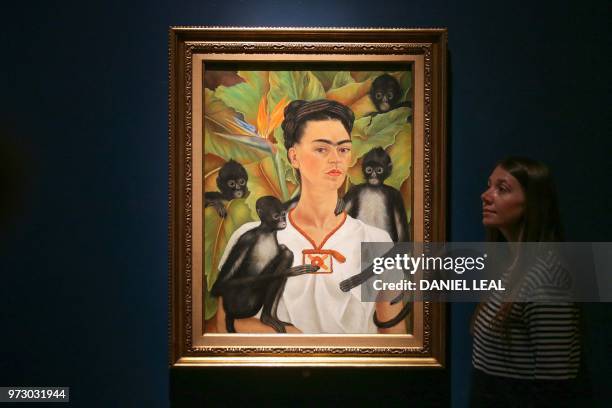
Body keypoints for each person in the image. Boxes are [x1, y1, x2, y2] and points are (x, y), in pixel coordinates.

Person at [215, 99, 406, 334]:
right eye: (321, 149)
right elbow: (224, 328)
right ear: (294, 156)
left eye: (343, 149)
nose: (335, 158)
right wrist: (289, 337)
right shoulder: (251, 236)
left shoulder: (377, 242)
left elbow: (394, 338)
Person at [470, 157, 582, 406]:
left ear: (532, 202)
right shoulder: (508, 267)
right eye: (489, 185)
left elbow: (554, 386)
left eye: (502, 189)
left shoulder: (546, 277)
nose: (486, 196)